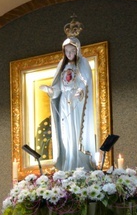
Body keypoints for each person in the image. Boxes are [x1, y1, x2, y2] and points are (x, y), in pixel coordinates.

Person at [39, 34, 97, 171]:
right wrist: (51, 90)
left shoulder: (82, 63)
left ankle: (80, 163)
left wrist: (80, 91)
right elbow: (58, 86)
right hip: (64, 102)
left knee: (76, 131)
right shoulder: (62, 66)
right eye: (67, 51)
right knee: (66, 134)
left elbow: (86, 81)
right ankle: (68, 162)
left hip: (77, 102)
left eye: (72, 51)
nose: (69, 54)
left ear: (77, 50)